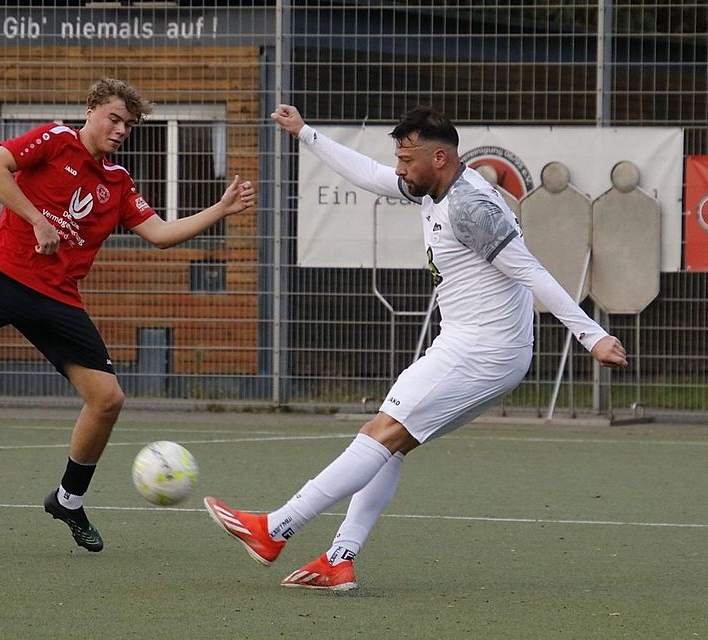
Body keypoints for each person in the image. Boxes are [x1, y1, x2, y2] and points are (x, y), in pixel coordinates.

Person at [203, 104, 627, 590]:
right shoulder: (433, 186)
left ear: (441, 157)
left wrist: (590, 335)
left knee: (380, 433)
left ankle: (275, 529)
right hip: (475, 347)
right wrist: (305, 133)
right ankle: (338, 559)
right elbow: (371, 175)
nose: (400, 169)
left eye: (407, 159)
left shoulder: (471, 206)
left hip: (481, 351)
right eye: (399, 159)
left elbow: (531, 272)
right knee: (393, 445)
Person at [0, 78, 256, 552]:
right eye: (114, 119)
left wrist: (220, 208)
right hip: (4, 271)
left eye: (128, 125)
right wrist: (37, 219)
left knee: (108, 399)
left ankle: (68, 499)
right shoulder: (56, 139)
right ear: (91, 110)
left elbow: (160, 234)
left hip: (57, 296)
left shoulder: (118, 183)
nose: (120, 130)